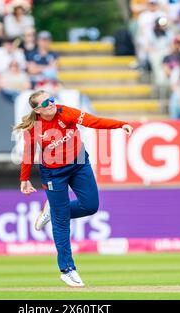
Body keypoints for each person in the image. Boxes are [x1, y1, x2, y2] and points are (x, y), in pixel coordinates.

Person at [14, 90, 133, 287]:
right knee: (61, 222)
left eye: (51, 100)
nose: (51, 104)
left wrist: (121, 125)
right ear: (37, 110)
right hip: (54, 174)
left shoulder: (65, 112)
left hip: (79, 164)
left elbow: (93, 122)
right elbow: (28, 154)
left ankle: (53, 209)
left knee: (90, 206)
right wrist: (24, 179)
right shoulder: (34, 128)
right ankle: (67, 270)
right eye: (45, 104)